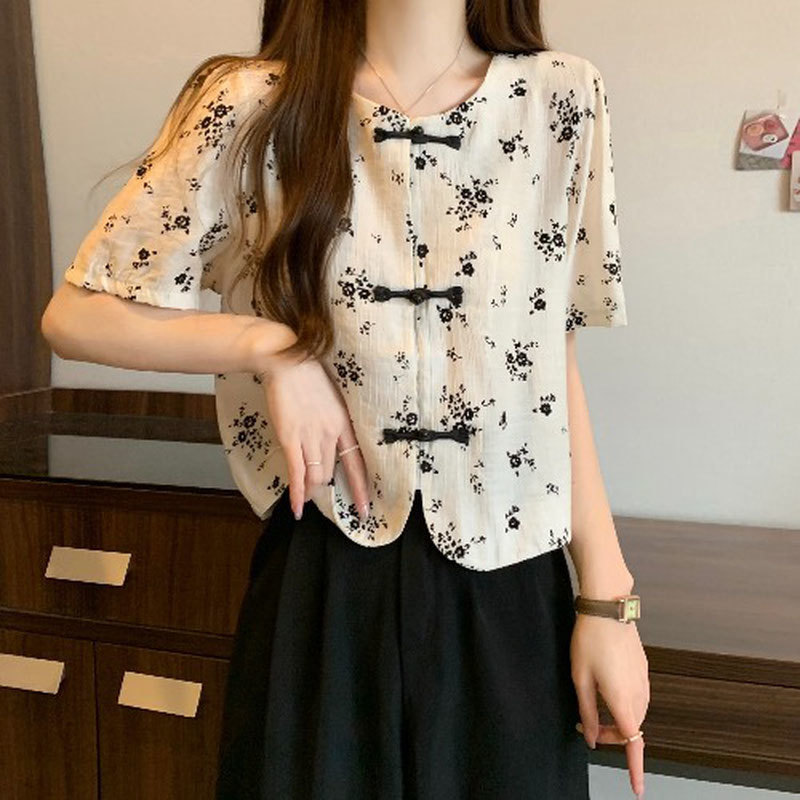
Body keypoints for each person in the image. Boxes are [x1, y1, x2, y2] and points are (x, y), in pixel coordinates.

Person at [42, 1, 649, 798]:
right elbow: (77, 315)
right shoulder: (253, 104)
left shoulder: (561, 98)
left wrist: (608, 604)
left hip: (511, 588)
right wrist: (271, 350)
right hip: (322, 578)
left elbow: (548, 362)